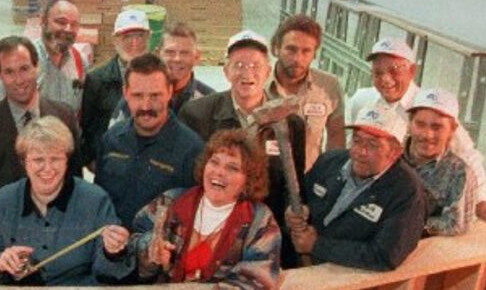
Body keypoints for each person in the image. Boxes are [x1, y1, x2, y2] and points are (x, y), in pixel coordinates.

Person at [132, 129, 282, 290]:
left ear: (248, 180)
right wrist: (149, 248)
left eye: (232, 168)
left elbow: (260, 282)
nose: (219, 172)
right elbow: (136, 235)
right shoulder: (170, 201)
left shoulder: (261, 220)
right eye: (214, 162)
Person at [178, 30, 306, 268]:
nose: (247, 72)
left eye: (255, 65)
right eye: (239, 65)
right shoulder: (197, 114)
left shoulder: (292, 125)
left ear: (268, 71)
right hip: (213, 232)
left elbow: (294, 182)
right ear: (226, 71)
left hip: (266, 236)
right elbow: (189, 181)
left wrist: (295, 214)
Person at [348, 37, 486, 221]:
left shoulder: (432, 108)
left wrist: (480, 200)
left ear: (412, 71)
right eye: (378, 72)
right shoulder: (361, 100)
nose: (385, 79)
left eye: (394, 71)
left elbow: (469, 156)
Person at [0, 116, 132, 286]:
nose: (48, 168)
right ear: (24, 162)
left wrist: (113, 253)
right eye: (38, 160)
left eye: (55, 159)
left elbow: (113, 275)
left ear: (67, 161)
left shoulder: (96, 200)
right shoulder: (4, 200)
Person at [285, 107, 426, 271]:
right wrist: (293, 211)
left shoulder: (407, 192)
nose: (360, 151)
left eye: (373, 145)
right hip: (300, 268)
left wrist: (317, 245)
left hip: (348, 282)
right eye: (357, 140)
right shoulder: (329, 161)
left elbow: (385, 255)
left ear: (395, 152)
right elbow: (297, 195)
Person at [0, 36, 81, 204]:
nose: (19, 80)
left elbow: (75, 181)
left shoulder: (65, 116)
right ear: (0, 76)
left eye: (24, 69)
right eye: (9, 72)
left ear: (37, 68)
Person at [95, 53, 204, 228]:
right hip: (111, 249)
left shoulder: (192, 151)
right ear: (126, 93)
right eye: (138, 96)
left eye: (155, 96)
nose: (146, 106)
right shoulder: (111, 139)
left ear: (169, 92)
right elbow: (99, 203)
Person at [267, 14, 345, 170]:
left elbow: (336, 138)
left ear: (315, 54)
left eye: (306, 51)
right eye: (291, 49)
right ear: (276, 48)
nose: (298, 58)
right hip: (262, 181)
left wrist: (327, 177)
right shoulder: (257, 84)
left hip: (309, 181)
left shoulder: (329, 86)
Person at [105, 22, 215, 128]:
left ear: (196, 57)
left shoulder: (211, 101)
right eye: (170, 52)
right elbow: (114, 139)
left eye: (185, 53)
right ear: (158, 54)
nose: (177, 59)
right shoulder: (136, 96)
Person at [0, 0, 85, 114]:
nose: (68, 29)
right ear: (43, 21)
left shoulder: (79, 62)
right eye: (61, 22)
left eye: (74, 24)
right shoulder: (18, 62)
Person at [81, 9, 152, 166]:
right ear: (115, 40)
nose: (134, 43)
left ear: (149, 38)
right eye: (127, 37)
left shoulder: (161, 78)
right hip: (109, 164)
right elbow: (87, 128)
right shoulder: (97, 80)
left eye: (140, 36)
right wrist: (93, 161)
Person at [404, 88, 476, 236]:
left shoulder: (459, 172)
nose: (427, 135)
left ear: (452, 130)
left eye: (437, 127)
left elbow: (456, 223)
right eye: (420, 124)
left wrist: (400, 224)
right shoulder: (388, 158)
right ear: (410, 124)